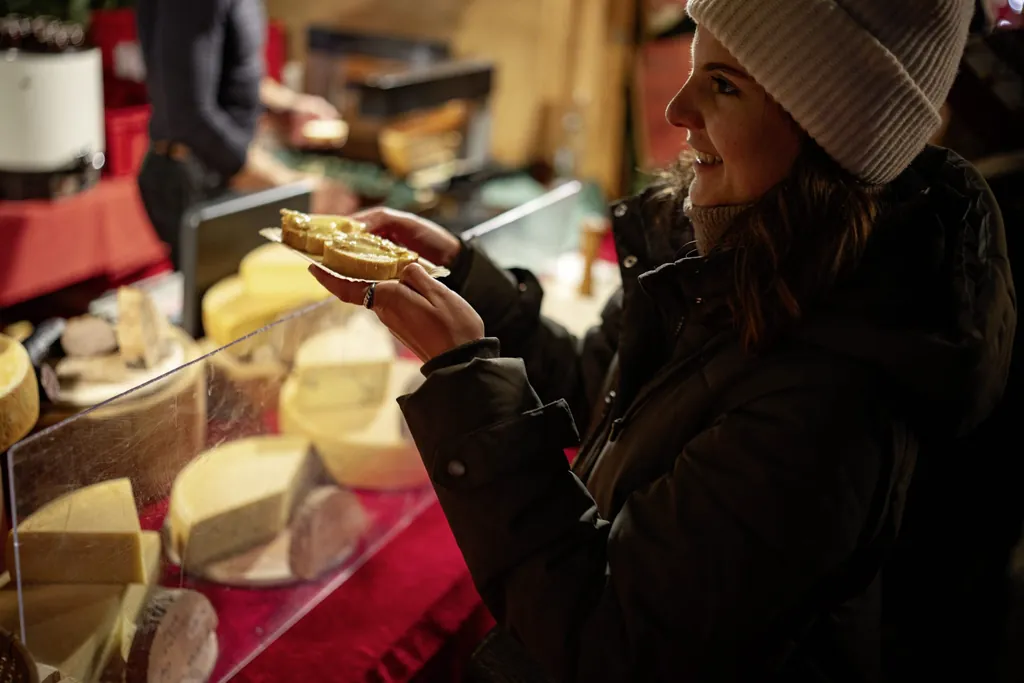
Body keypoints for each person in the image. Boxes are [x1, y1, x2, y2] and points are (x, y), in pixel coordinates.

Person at [313, 0, 1016, 680]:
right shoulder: (724, 250)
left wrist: (469, 382)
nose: (677, 109)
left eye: (723, 85)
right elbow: (600, 391)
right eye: (695, 66)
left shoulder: (832, 400)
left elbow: (609, 639)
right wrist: (476, 289)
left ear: (832, 136)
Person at [135, 0, 349, 269]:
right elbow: (189, 117)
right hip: (194, 175)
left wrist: (288, 105)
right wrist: (293, 188)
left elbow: (230, 71)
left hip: (221, 170)